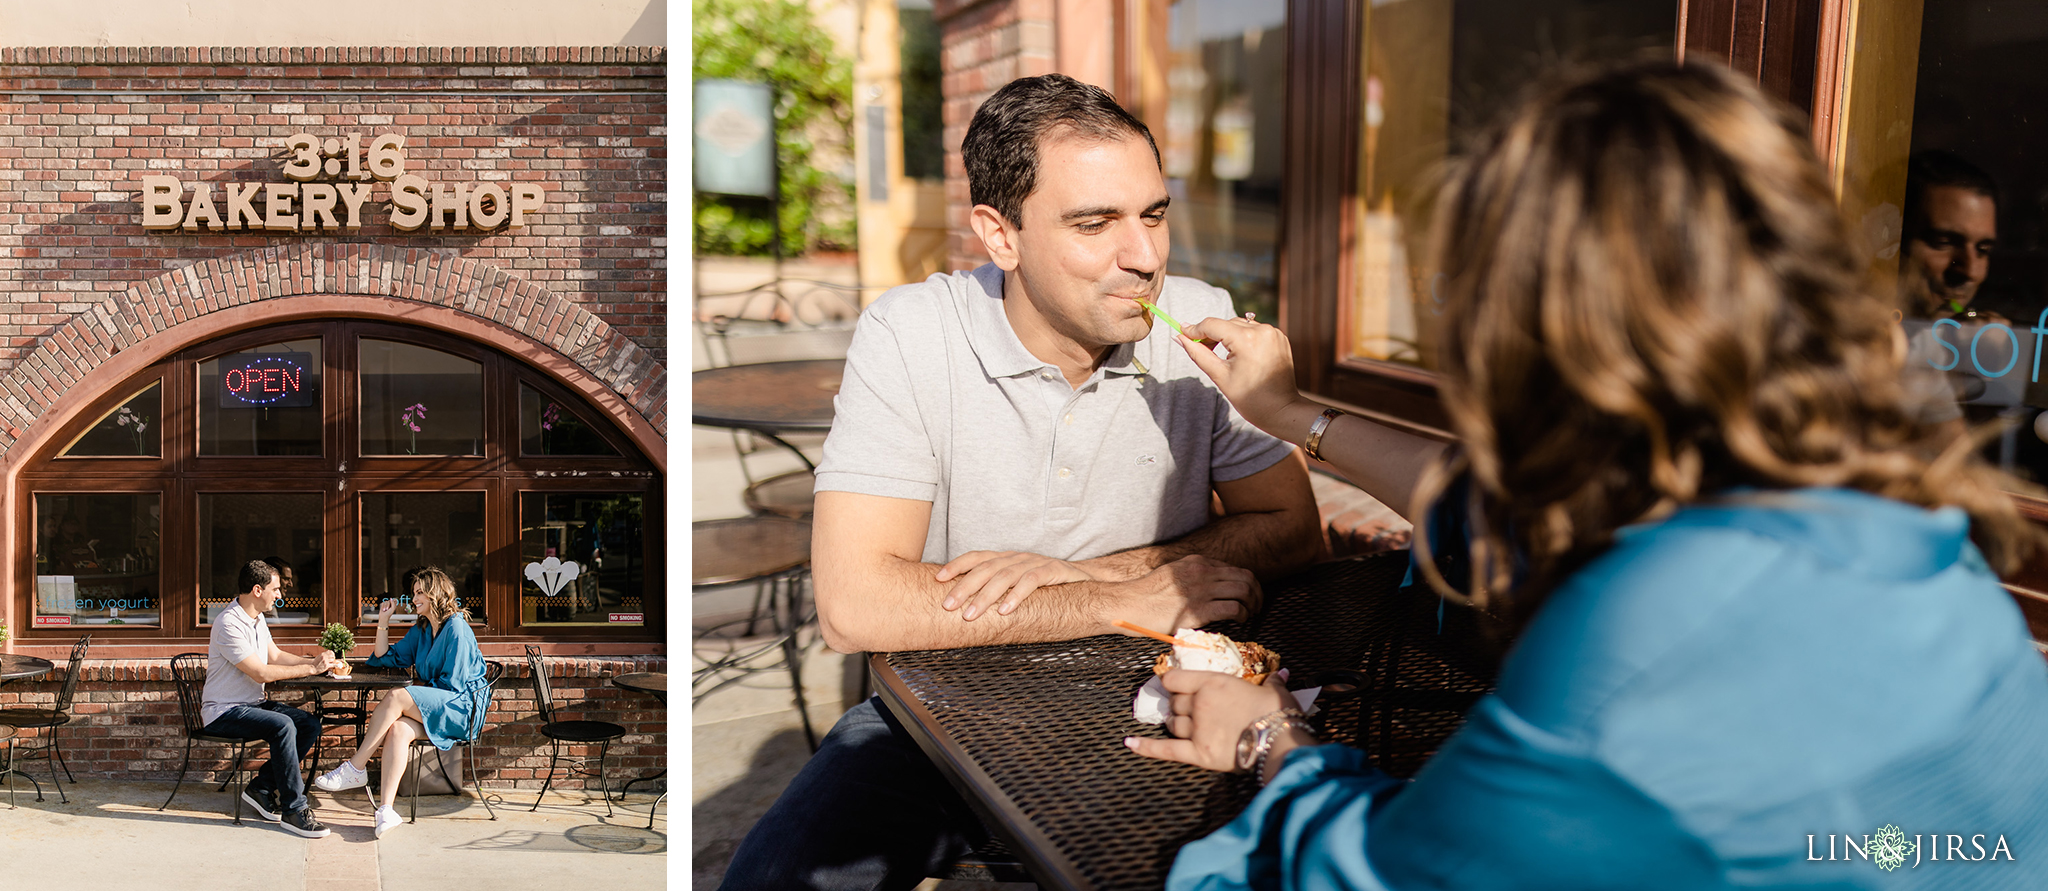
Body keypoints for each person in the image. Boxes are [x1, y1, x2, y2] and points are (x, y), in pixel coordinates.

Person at [1130, 60, 2048, 889]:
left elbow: (1374, 873)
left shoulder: (1648, 641)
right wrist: (1291, 414)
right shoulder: (1885, 523)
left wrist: (1270, 737)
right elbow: (1492, 509)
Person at [719, 73, 1326, 890]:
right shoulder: (912, 333)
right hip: (949, 702)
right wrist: (1112, 600)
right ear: (999, 235)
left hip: (1169, 682)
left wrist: (1095, 577)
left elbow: (1294, 530)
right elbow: (855, 604)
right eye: (1094, 224)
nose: (1144, 257)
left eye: (1153, 214)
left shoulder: (1199, 317)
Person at [313, 566, 490, 839]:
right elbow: (385, 657)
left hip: (461, 708)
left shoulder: (457, 628)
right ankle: (386, 810)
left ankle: (356, 767)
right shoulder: (422, 629)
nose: (414, 598)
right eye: (414, 592)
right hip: (436, 705)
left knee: (397, 695)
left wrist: (415, 698)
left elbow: (453, 684)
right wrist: (384, 620)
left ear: (436, 594)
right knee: (397, 730)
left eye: (420, 592)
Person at [200, 559, 337, 838]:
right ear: (257, 590)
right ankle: (293, 811)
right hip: (224, 711)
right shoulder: (229, 623)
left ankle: (261, 788)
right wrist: (310, 669)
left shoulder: (257, 618)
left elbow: (274, 655)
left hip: (252, 704)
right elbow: (260, 671)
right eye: (275, 589)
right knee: (283, 725)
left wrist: (316, 663)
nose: (280, 595)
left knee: (308, 724)